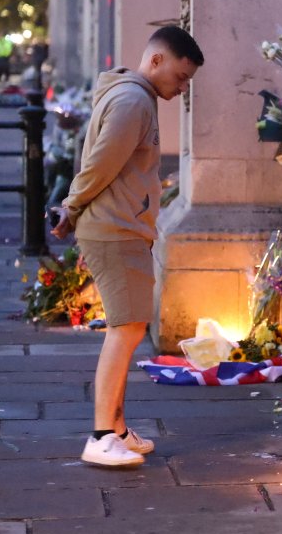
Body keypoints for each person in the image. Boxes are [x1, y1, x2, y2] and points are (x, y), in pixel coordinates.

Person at [51, 26, 203, 467]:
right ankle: (101, 436)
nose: (183, 85)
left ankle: (115, 428)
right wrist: (71, 205)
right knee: (124, 331)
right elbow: (101, 162)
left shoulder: (134, 96)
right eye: (180, 75)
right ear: (156, 60)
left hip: (122, 225)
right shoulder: (134, 100)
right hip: (114, 228)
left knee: (131, 327)